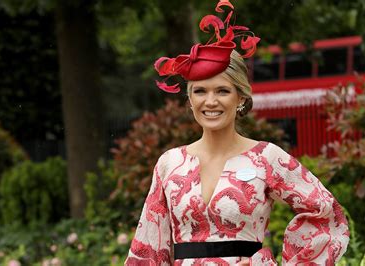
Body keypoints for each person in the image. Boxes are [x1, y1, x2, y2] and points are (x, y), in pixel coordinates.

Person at [125, 1, 349, 265]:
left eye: (222, 91)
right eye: (200, 91)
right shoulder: (169, 164)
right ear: (189, 100)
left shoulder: (266, 158)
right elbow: (149, 248)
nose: (210, 101)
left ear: (240, 98)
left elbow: (326, 214)